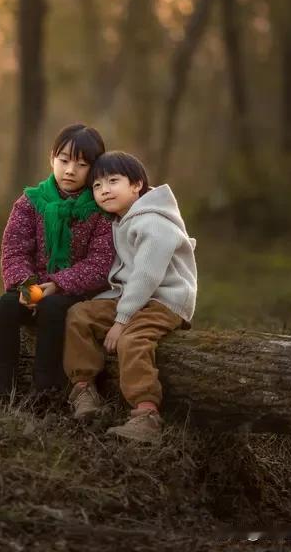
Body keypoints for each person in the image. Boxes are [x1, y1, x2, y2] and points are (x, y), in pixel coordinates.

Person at [63, 151, 197, 443]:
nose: (104, 190)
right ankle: (84, 390)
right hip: (131, 297)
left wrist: (122, 320)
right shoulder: (119, 220)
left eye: (113, 181)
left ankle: (146, 414)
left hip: (164, 300)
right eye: (97, 185)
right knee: (80, 315)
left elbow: (147, 275)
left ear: (136, 185)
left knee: (132, 340)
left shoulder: (154, 221)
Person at [0, 124, 115, 402]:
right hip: (32, 286)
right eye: (64, 160)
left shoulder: (101, 209)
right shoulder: (30, 202)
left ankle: (45, 388)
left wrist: (57, 285)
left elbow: (100, 263)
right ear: (52, 159)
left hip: (77, 291)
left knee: (53, 308)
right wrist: (27, 286)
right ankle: (3, 384)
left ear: (95, 169)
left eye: (81, 165)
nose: (70, 170)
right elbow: (15, 250)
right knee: (6, 306)